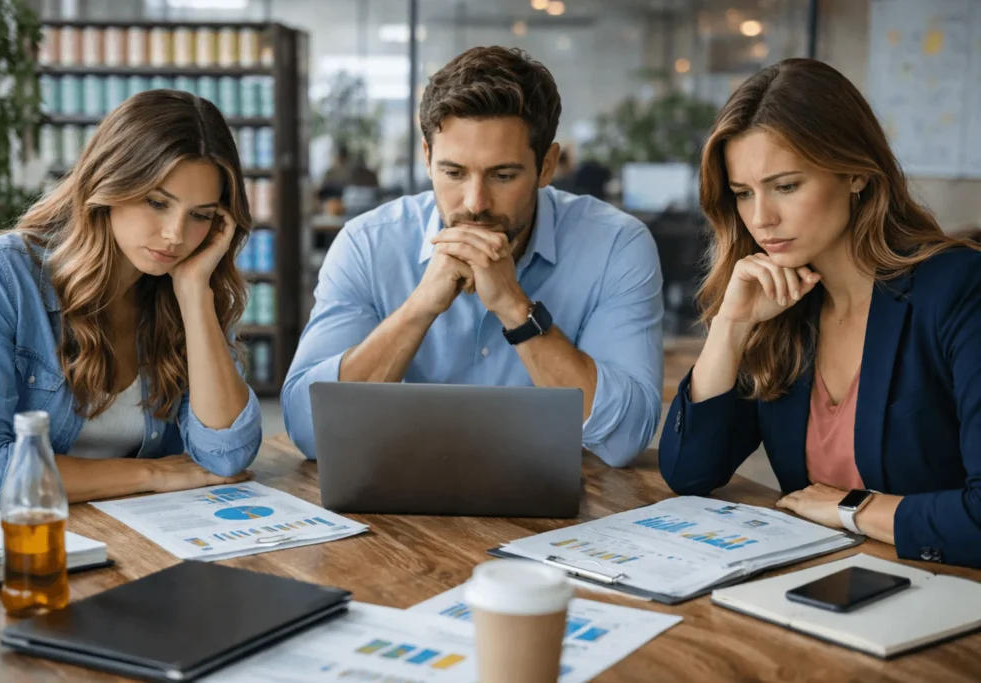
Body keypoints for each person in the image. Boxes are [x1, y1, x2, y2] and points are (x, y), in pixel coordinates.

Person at [659, 58, 981, 568]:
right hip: (815, 582)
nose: (761, 218)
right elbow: (690, 472)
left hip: (944, 590)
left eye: (786, 186)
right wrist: (731, 326)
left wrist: (854, 509)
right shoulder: (782, 304)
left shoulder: (958, 289)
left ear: (856, 172)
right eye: (743, 194)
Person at [283, 46, 664, 466]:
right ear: (427, 158)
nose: (475, 203)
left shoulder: (616, 245)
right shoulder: (367, 243)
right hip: (403, 493)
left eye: (503, 175)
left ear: (546, 166)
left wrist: (515, 309)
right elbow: (307, 430)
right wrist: (420, 307)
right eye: (453, 172)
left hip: (569, 497)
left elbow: (624, 439)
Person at [0, 89, 263, 510]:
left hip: (136, 530)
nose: (175, 234)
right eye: (157, 202)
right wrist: (150, 474)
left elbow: (226, 455)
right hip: (33, 533)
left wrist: (194, 294)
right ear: (109, 182)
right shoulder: (0, 275)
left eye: (200, 215)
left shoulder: (185, 285)